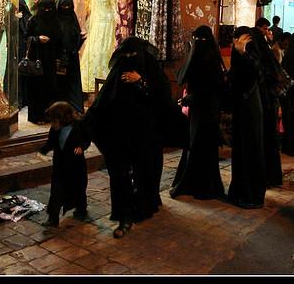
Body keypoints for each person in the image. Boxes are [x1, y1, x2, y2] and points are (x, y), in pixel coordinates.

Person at [80, 37, 176, 238]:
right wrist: (83, 127)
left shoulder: (153, 72)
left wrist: (140, 82)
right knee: (120, 175)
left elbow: (163, 99)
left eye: (133, 55)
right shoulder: (118, 74)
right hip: (121, 135)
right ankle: (124, 217)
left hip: (146, 136)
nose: (129, 59)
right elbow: (102, 103)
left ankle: (143, 207)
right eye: (125, 55)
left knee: (143, 173)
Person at [170, 25, 226, 200]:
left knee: (199, 146)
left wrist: (190, 98)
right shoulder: (209, 55)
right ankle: (202, 186)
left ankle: (200, 187)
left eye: (199, 40)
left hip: (206, 111)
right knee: (199, 147)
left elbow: (207, 87)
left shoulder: (207, 57)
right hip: (203, 110)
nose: (197, 43)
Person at [226, 26, 265, 208]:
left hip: (250, 108)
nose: (237, 44)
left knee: (251, 150)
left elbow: (256, 70)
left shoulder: (253, 57)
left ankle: (252, 195)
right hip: (241, 109)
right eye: (235, 41)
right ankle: (239, 192)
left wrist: (243, 52)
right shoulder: (237, 59)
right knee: (240, 150)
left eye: (242, 41)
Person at [37, 101, 91, 227]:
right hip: (60, 165)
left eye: (55, 122)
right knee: (56, 191)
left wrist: (81, 148)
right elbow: (51, 143)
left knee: (79, 188)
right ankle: (52, 218)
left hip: (75, 165)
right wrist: (42, 150)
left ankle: (81, 209)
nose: (53, 125)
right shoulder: (55, 130)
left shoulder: (78, 127)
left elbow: (86, 139)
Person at [251, 24, 284, 188]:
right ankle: (271, 177)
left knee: (266, 142)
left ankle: (268, 177)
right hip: (269, 105)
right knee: (269, 142)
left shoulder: (262, 58)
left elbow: (269, 79)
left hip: (267, 105)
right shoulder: (267, 55)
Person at [25, 0, 62, 125]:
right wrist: (37, 39)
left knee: (50, 89)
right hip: (37, 60)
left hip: (50, 61)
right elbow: (26, 37)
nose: (47, 11)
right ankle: (36, 116)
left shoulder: (56, 21)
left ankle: (49, 116)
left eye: (49, 9)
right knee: (36, 89)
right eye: (44, 9)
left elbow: (59, 40)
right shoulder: (33, 21)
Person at [55, 0, 85, 114]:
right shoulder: (55, 20)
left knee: (72, 82)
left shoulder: (73, 19)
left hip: (72, 57)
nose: (66, 9)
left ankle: (75, 108)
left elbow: (76, 33)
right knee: (59, 84)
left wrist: (80, 38)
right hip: (57, 56)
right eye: (64, 6)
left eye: (69, 7)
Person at [17, 0, 32, 108]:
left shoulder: (28, 18)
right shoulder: (14, 17)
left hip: (25, 49)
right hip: (16, 49)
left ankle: (25, 98)